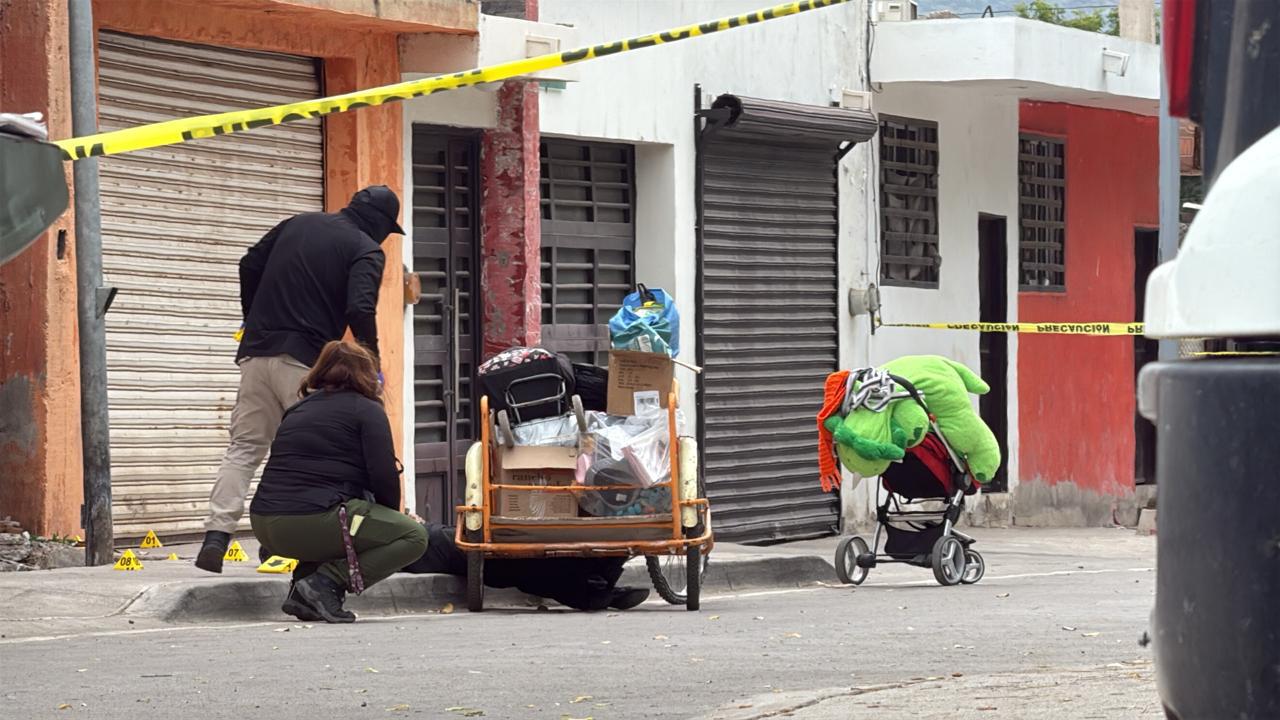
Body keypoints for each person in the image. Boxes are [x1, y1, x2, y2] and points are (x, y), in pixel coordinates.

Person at [196, 185, 405, 573]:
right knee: (314, 455)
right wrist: (370, 360)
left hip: (257, 351)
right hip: (306, 365)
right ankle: (283, 543)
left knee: (244, 448)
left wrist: (252, 318)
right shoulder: (365, 249)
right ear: (379, 224)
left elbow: (249, 263)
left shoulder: (298, 223)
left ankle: (216, 536)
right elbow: (360, 307)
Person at [248, 340, 427, 623]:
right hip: (310, 521)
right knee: (412, 536)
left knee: (337, 512)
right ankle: (324, 583)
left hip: (264, 525)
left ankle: (303, 591)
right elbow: (383, 475)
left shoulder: (298, 409)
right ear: (368, 375)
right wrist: (390, 517)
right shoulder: (367, 410)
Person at [403, 522, 650, 611]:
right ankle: (598, 588)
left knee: (524, 565)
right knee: (518, 567)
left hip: (441, 540)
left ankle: (598, 586)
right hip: (444, 548)